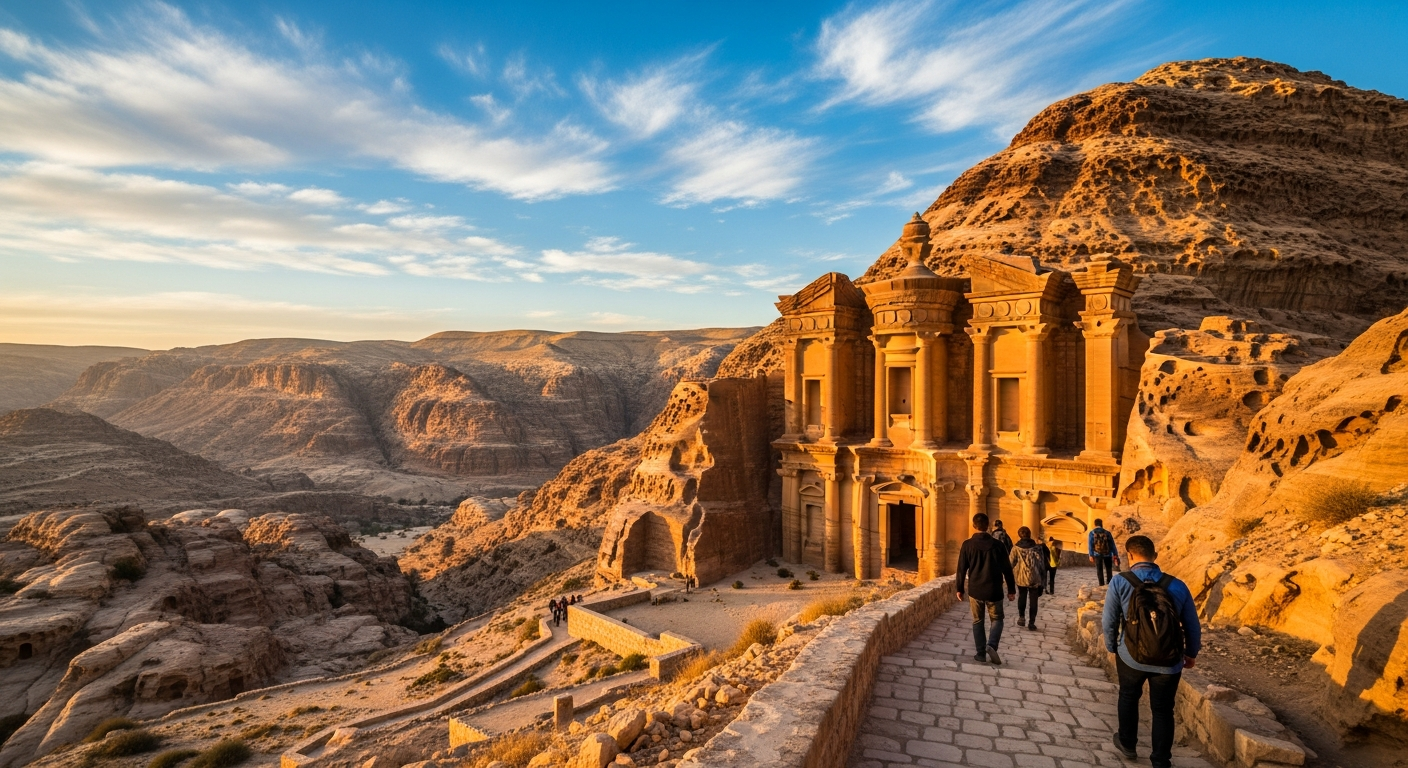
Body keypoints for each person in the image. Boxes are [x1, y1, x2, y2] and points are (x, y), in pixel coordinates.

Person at [1102, 535, 1201, 768]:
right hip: (1169, 659)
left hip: (1131, 655)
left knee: (1128, 696)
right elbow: (1192, 625)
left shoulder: (1120, 582)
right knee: (1163, 709)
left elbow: (1109, 620)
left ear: (1130, 555)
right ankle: (1160, 760)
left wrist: (1111, 646)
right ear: (1155, 556)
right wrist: (1191, 653)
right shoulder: (1177, 585)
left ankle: (1127, 743)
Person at [955, 512, 1017, 664]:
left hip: (975, 590)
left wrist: (960, 588)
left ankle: (981, 654)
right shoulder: (998, 546)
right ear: (988, 525)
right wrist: (1011, 590)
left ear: (974, 526)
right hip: (994, 590)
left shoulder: (967, 545)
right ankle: (992, 645)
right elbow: (1007, 569)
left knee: (978, 621)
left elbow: (961, 569)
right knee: (997, 619)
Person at [1010, 527, 1048, 630]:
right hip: (1035, 578)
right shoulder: (1037, 548)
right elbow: (1041, 564)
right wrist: (1043, 581)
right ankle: (1032, 622)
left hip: (1021, 578)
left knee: (1022, 596)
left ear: (1019, 535)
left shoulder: (1016, 548)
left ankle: (1021, 617)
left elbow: (1011, 564)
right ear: (1030, 534)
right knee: (1033, 600)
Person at [1088, 518, 1119, 586]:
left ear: (1095, 524)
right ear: (1101, 524)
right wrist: (1115, 554)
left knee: (1099, 569)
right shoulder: (1107, 533)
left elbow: (1090, 544)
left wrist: (1091, 555)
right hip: (1107, 554)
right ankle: (1109, 583)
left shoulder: (1092, 533)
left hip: (1097, 553)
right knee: (1108, 569)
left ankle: (1101, 584)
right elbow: (1112, 544)